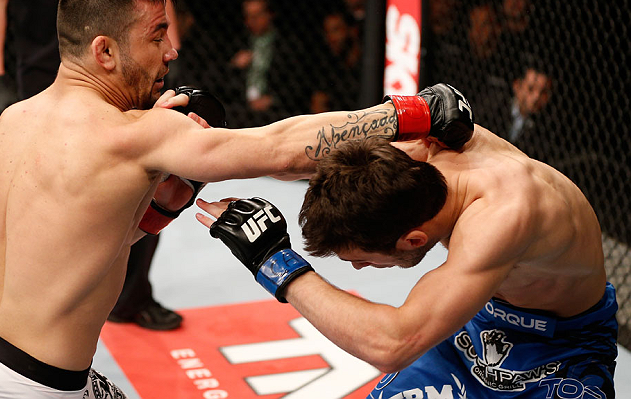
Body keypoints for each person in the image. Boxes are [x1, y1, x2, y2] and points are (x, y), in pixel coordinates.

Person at [0, 0, 474, 397]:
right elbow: (282, 151)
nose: (172, 51)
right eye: (157, 36)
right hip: (36, 386)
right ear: (104, 51)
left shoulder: (16, 120)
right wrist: (413, 113)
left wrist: (157, 210)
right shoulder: (134, 135)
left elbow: (65, 251)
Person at [197, 88, 617, 398]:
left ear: (412, 239)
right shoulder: (416, 146)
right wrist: (198, 157)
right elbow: (290, 153)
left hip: (561, 350)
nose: (358, 270)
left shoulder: (504, 212)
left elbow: (393, 343)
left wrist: (274, 262)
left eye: (362, 260)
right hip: (470, 324)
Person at [0, 0, 182, 360]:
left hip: (125, 68)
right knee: (40, 217)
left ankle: (131, 296)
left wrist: (160, 50)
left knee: (145, 180)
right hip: (59, 76)